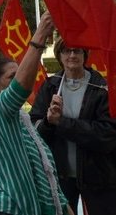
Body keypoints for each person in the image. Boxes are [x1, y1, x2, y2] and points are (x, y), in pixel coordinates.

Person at [0, 11, 72, 215]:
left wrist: (62, 206)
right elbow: (21, 88)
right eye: (12, 76)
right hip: (8, 209)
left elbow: (43, 166)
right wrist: (40, 35)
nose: (19, 78)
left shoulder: (21, 118)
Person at [30, 37, 116, 215]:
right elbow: (34, 131)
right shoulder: (50, 87)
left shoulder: (101, 87)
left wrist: (61, 123)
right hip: (60, 177)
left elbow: (107, 135)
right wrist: (47, 122)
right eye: (66, 51)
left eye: (77, 51)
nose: (71, 55)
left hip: (98, 176)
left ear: (85, 55)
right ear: (59, 55)